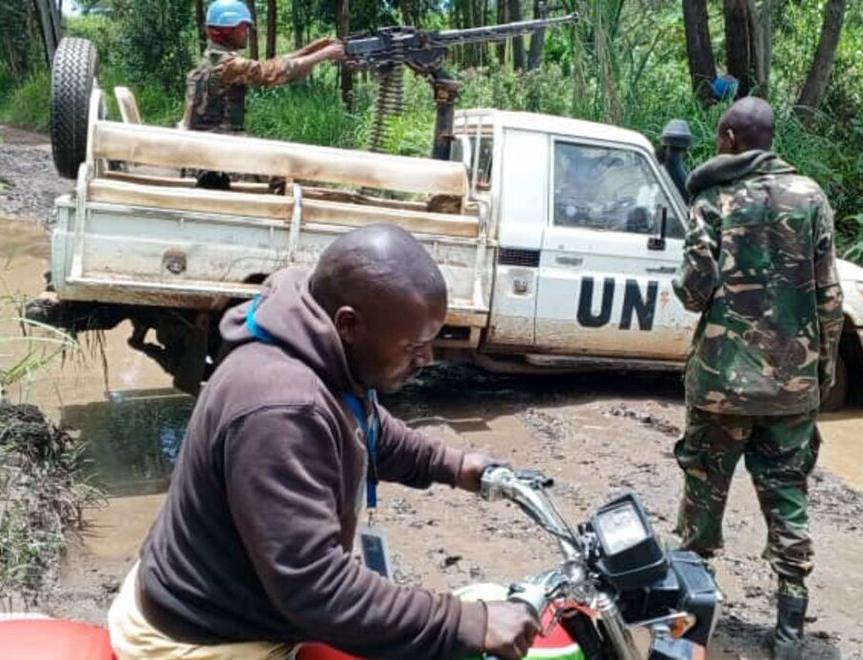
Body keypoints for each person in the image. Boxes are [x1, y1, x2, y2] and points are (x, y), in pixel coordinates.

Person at [107, 225, 540, 660]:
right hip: (201, 637)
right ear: (349, 324)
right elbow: (315, 585)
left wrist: (453, 465)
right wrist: (467, 621)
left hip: (241, 599)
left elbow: (366, 426)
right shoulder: (282, 410)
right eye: (413, 345)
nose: (426, 359)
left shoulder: (312, 333)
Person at [671, 97, 843, 659]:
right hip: (792, 390)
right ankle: (790, 632)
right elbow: (829, 296)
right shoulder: (811, 197)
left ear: (728, 139)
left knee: (702, 500)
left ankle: (691, 623)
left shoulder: (713, 198)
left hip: (721, 385)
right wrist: (820, 375)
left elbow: (693, 290)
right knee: (788, 500)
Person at [182, 0, 345, 188]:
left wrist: (311, 49)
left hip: (208, 141)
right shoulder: (229, 65)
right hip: (220, 144)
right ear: (228, 30)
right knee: (285, 166)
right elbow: (274, 72)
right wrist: (324, 54)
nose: (247, 32)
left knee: (274, 158)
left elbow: (270, 65)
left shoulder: (213, 57)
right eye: (243, 27)